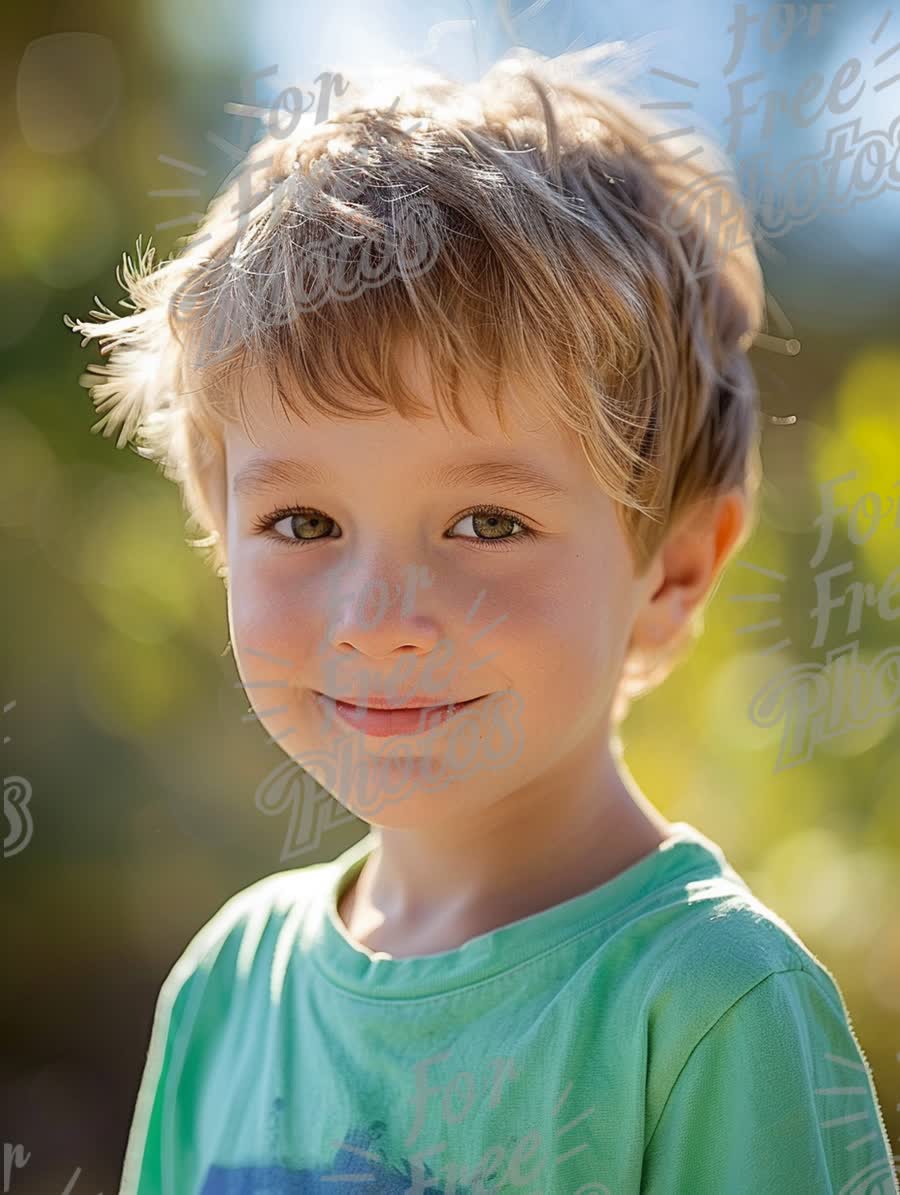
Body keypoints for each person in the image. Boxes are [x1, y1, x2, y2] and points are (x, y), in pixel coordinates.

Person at [66, 44, 897, 1195]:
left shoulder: (709, 1006)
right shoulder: (224, 988)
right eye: (303, 523)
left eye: (488, 523)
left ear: (675, 570)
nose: (378, 619)